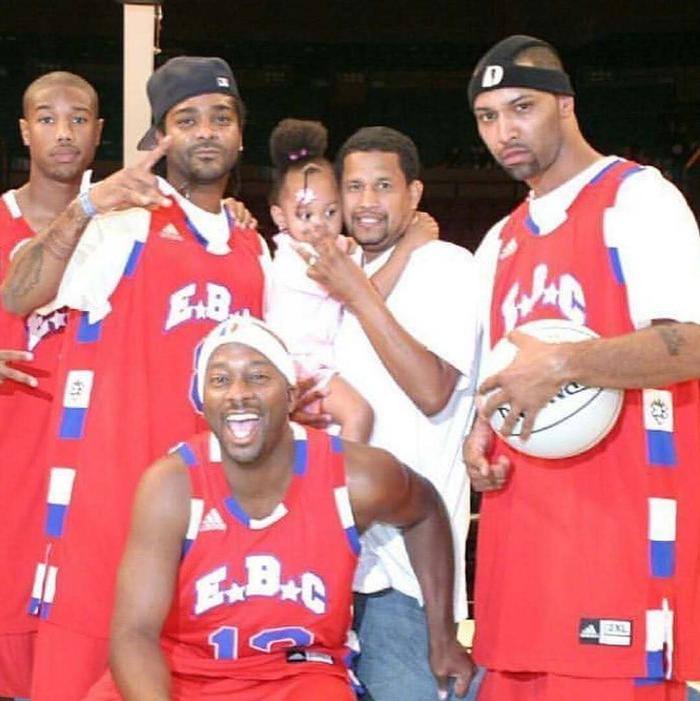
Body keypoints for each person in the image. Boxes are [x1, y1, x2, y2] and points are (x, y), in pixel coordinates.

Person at [1, 56, 267, 701]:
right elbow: (19, 293)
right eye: (187, 120)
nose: (206, 131)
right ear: (162, 137)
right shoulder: (121, 224)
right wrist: (88, 206)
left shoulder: (254, 246)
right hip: (112, 521)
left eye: (221, 117)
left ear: (240, 133)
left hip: (211, 520)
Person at [462, 35, 700, 701]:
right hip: (522, 555)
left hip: (617, 545)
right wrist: (480, 434)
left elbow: (690, 343)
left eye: (522, 107)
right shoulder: (499, 242)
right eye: (487, 117)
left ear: (565, 104)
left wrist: (566, 364)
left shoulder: (638, 199)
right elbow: (502, 380)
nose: (504, 131)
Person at [82, 315, 475, 700]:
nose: (238, 393)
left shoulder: (353, 477)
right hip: (181, 672)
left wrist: (443, 637)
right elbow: (134, 633)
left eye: (258, 376)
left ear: (290, 396)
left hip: (298, 675)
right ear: (202, 400)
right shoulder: (172, 484)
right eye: (219, 380)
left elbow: (425, 511)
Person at [298, 126, 480, 701]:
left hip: (406, 576)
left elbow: (432, 390)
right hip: (326, 572)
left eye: (383, 186)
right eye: (355, 187)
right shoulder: (330, 271)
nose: (367, 202)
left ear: (414, 193)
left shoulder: (446, 265)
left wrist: (358, 291)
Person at [0, 70, 103, 699]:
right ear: (24, 131)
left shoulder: (123, 227)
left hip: (91, 484)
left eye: (78, 118)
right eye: (47, 118)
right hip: (11, 479)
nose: (63, 132)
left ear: (98, 131)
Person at [265, 117, 439, 443]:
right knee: (358, 415)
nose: (319, 224)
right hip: (302, 368)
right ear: (279, 217)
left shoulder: (337, 248)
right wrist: (408, 246)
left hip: (319, 365)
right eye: (305, 214)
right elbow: (365, 295)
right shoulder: (297, 258)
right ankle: (344, 474)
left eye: (330, 212)